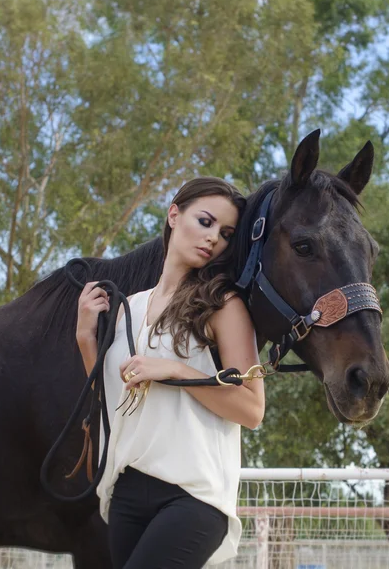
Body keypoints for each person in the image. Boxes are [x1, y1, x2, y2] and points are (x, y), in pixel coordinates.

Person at [75, 177, 265, 568]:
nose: (214, 238)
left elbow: (252, 409)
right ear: (173, 215)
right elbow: (109, 399)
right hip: (126, 490)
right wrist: (84, 339)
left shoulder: (224, 305)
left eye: (226, 233)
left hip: (193, 496)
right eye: (206, 221)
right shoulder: (129, 308)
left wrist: (176, 371)